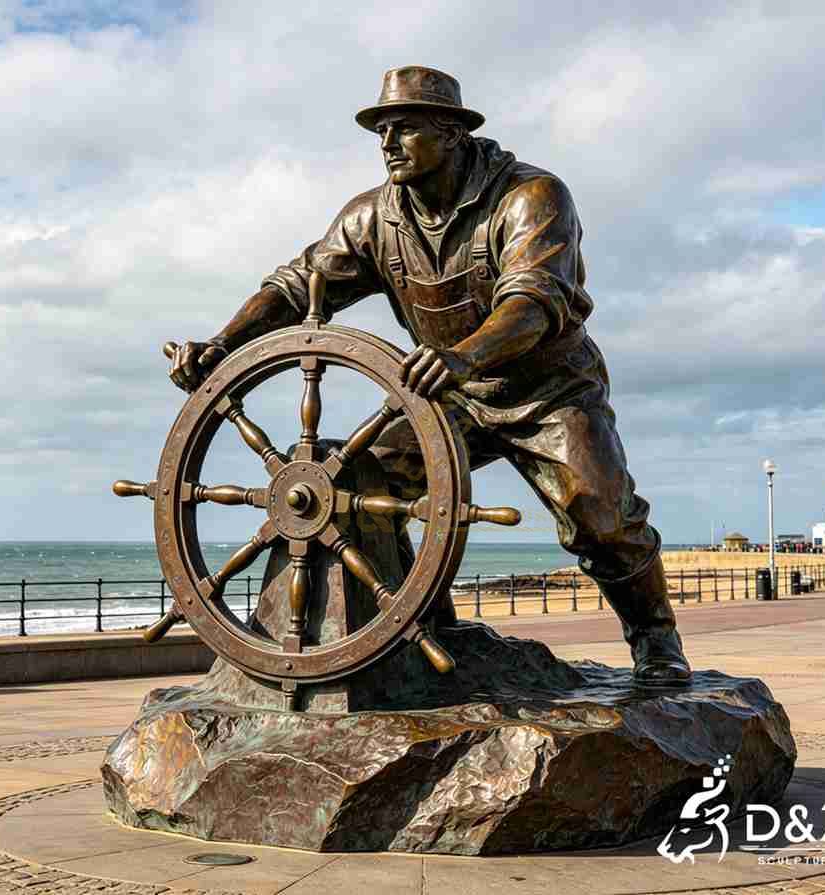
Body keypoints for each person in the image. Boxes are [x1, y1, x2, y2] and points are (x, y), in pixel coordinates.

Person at [166, 66, 691, 687]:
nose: (387, 143)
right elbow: (298, 287)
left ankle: (657, 643)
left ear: (452, 133)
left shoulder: (531, 196)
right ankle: (423, 624)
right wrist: (223, 343)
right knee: (358, 479)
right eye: (381, 131)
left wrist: (465, 356)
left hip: (548, 391)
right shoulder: (372, 218)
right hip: (445, 394)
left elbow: (534, 301)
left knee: (599, 513)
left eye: (405, 128)